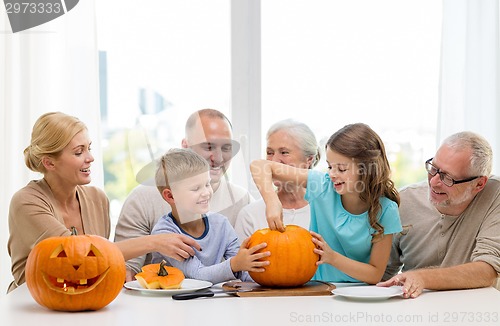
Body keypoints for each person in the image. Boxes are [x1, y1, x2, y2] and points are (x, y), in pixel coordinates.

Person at [7, 112, 201, 293]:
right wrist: (155, 242)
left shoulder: (97, 199)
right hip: (34, 305)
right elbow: (77, 258)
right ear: (49, 163)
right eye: (78, 152)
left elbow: (99, 263)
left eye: (89, 148)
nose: (90, 158)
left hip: (85, 303)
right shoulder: (26, 202)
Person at [250, 123, 402, 284]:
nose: (332, 174)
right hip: (318, 291)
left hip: (361, 294)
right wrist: (272, 201)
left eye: (341, 169)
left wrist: (332, 258)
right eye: (330, 166)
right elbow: (259, 166)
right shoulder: (322, 186)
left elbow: (374, 274)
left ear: (367, 170)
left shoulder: (386, 210)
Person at [114, 108, 254, 281]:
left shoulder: (241, 201)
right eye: (208, 146)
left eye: (226, 147)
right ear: (185, 146)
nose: (218, 158)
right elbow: (126, 268)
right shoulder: (142, 199)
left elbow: (246, 267)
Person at [379, 131, 500, 298]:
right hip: (413, 307)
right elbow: (383, 271)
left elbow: (488, 269)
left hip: (475, 310)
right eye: (433, 168)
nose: (434, 182)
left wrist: (421, 277)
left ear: (479, 184)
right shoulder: (403, 202)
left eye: (447, 177)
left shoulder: (495, 196)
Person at [150, 148, 269, 284]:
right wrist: (234, 264)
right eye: (196, 188)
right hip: (170, 302)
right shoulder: (164, 234)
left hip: (209, 301)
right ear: (170, 196)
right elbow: (197, 274)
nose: (206, 192)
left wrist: (268, 275)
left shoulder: (221, 224)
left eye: (207, 184)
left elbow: (243, 270)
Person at [234, 119, 320, 240]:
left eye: (284, 152)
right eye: (269, 152)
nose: (273, 161)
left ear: (309, 159)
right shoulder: (250, 215)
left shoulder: (325, 211)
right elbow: (241, 258)